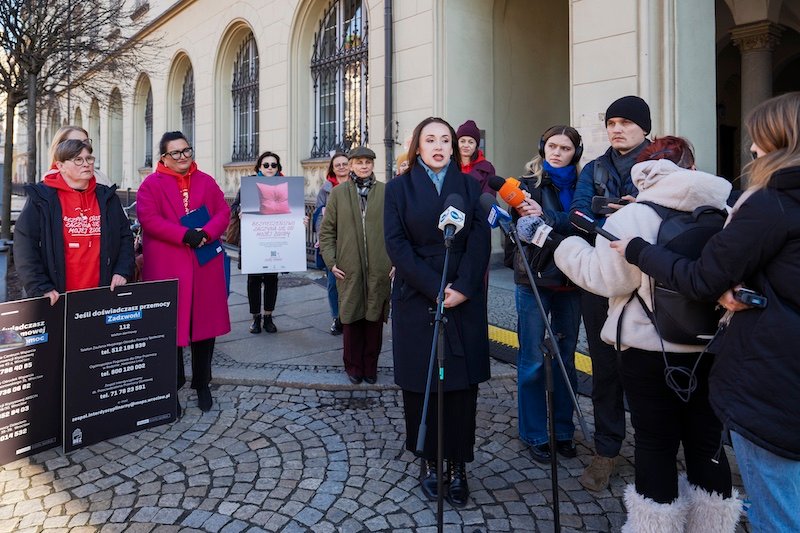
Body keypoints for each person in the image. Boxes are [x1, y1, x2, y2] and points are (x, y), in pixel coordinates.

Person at [613, 93, 800, 532]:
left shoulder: (769, 202)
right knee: (715, 450)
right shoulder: (732, 201)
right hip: (758, 359)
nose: (752, 150)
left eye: (759, 141)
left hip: (770, 371)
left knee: (776, 506)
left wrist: (638, 251)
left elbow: (701, 277)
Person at [554, 136, 740, 532]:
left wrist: (566, 246)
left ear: (644, 170)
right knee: (708, 445)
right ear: (692, 166)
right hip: (714, 347)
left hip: (648, 348)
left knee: (655, 445)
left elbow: (604, 279)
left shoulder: (634, 218)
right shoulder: (728, 210)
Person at [526, 96, 653, 491]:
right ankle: (606, 451)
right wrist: (614, 217)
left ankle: (654, 452)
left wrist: (635, 212)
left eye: (626, 123)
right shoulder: (596, 168)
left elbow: (671, 213)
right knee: (605, 371)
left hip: (650, 284)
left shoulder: (661, 163)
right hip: (598, 281)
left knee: (650, 372)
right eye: (612, 122)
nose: (617, 129)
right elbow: (579, 216)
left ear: (644, 128)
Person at [384, 117, 491, 508]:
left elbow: (480, 236)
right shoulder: (398, 188)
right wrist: (434, 287)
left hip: (462, 293)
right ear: (417, 146)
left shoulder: (468, 186)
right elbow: (396, 244)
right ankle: (429, 461)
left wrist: (462, 287)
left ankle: (459, 464)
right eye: (430, 139)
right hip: (418, 294)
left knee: (462, 385)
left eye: (445, 139)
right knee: (422, 381)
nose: (439, 146)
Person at [137, 131, 231, 413]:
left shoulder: (206, 180)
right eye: (175, 153)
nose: (182, 157)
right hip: (169, 265)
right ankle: (171, 385)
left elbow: (223, 212)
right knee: (170, 328)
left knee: (204, 328)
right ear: (164, 157)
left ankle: (202, 383)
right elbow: (149, 219)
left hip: (204, 266)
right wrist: (184, 235)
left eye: (186, 150)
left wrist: (207, 233)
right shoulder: (150, 185)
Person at [508, 126, 583, 464]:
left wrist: (553, 219)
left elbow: (585, 222)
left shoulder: (585, 184)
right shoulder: (528, 185)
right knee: (533, 360)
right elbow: (523, 229)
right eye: (551, 146)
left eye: (564, 148)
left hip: (573, 281)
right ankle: (535, 433)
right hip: (534, 281)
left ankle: (564, 431)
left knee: (566, 358)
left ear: (575, 153)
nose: (556, 152)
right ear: (542, 147)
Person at [14, 139, 133, 302]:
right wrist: (41, 287)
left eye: (89, 158)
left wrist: (122, 271)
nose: (86, 164)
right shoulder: (42, 198)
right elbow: (25, 245)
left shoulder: (107, 197)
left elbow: (125, 236)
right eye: (78, 159)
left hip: (103, 293)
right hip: (57, 297)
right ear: (60, 166)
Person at [319, 146, 392, 385]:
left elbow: (395, 230)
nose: (363, 166)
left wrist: (394, 262)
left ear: (372, 165)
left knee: (373, 320)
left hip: (378, 267)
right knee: (351, 318)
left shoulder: (385, 192)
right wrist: (331, 262)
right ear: (350, 165)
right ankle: (353, 366)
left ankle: (370, 367)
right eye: (359, 162)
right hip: (348, 268)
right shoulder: (339, 194)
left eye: (367, 162)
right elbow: (327, 231)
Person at [231, 151, 283, 334]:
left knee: (271, 279)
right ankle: (256, 317)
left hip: (274, 239)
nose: (270, 168)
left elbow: (293, 211)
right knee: (253, 280)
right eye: (266, 165)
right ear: (259, 167)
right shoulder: (248, 186)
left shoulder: (285, 186)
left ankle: (268, 316)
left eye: (273, 165)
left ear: (278, 168)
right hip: (253, 240)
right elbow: (234, 206)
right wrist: (240, 211)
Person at [314, 152, 350, 335]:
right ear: (333, 168)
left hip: (354, 241)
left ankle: (351, 315)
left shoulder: (358, 185)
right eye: (338, 165)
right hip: (333, 241)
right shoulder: (326, 189)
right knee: (333, 282)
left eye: (345, 163)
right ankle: (337, 317)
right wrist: (321, 238)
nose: (342, 167)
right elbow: (320, 216)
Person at [46, 125, 111, 185]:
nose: (83, 146)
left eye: (86, 141)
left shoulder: (99, 176)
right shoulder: (50, 179)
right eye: (76, 142)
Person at [456, 119, 496, 195]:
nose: (466, 145)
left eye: (471, 142)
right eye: (462, 141)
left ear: (476, 145)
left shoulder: (487, 169)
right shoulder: (448, 165)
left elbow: (488, 198)